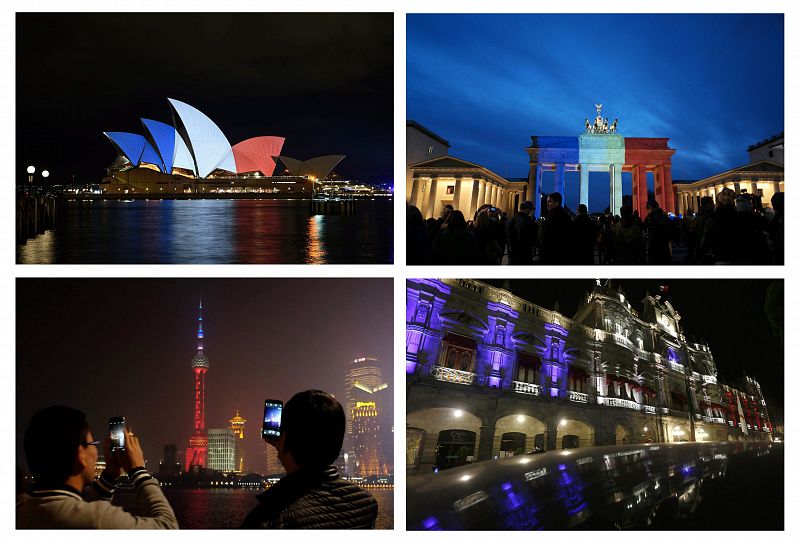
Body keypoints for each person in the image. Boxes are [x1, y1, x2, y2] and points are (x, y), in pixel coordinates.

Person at [17, 405, 178, 529]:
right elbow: (167, 527)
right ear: (80, 454)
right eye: (93, 443)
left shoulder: (20, 508)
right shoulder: (97, 521)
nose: (97, 450)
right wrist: (138, 470)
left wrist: (110, 475)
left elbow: (78, 509)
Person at [241, 390, 378, 529]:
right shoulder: (366, 503)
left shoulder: (268, 518)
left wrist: (284, 445)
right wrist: (285, 443)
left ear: (288, 438)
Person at [538, 192, 573, 264]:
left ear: (557, 202)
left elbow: (545, 238)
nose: (547, 204)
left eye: (550, 201)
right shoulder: (567, 217)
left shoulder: (551, 218)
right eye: (547, 201)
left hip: (550, 256)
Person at [505, 200, 537, 265]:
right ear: (528, 209)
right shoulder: (529, 222)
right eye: (530, 210)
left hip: (511, 255)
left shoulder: (509, 221)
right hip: (524, 256)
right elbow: (533, 240)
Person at [642, 200, 672, 264]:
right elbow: (669, 232)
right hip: (664, 247)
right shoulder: (664, 216)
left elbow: (643, 227)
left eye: (647, 209)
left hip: (654, 247)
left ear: (650, 207)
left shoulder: (650, 217)